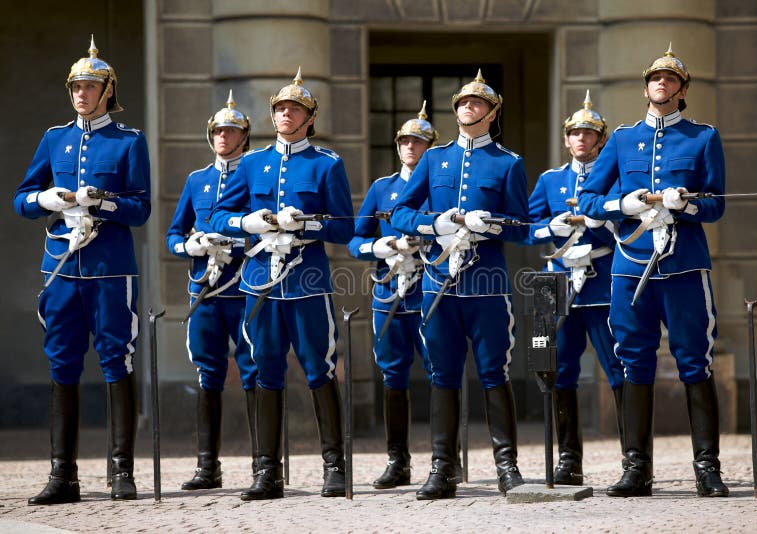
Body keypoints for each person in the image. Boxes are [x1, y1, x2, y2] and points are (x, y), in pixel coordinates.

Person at [577, 44, 729, 498]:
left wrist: (687, 204)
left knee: (694, 362)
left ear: (682, 91)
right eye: (654, 78)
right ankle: (636, 468)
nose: (660, 84)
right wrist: (620, 205)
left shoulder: (703, 137)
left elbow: (716, 204)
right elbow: (588, 200)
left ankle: (707, 467)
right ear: (645, 87)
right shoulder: (622, 139)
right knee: (633, 362)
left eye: (670, 79)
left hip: (683, 267)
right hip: (631, 266)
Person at [14, 36, 151, 504]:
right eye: (76, 86)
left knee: (117, 361)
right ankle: (62, 476)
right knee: (62, 363)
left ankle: (121, 472)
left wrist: (104, 201)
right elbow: (21, 198)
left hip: (111, 269)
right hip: (61, 268)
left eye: (90, 86)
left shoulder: (129, 141)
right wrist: (46, 200)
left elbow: (140, 209)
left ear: (108, 90)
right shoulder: (54, 138)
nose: (81, 94)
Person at [209, 68, 354, 500]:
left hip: (308, 283)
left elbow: (344, 227)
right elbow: (217, 216)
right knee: (264, 372)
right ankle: (266, 472)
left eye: (294, 109)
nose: (285, 114)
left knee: (320, 369)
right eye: (279, 108)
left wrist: (307, 224)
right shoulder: (251, 163)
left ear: (310, 118)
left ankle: (335, 467)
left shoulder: (326, 163)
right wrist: (245, 222)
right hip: (259, 284)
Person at [392, 70, 529, 499]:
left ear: (491, 114)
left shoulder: (508, 163)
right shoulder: (434, 159)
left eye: (476, 104)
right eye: (462, 103)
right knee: (442, 374)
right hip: (438, 284)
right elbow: (400, 212)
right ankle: (442, 467)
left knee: (494, 373)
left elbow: (522, 227)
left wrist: (488, 225)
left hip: (486, 287)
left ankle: (506, 465)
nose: (467, 108)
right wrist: (433, 224)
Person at [527, 91, 624, 485]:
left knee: (619, 368)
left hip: (602, 279)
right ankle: (568, 460)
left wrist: (600, 219)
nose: (581, 139)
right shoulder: (549, 180)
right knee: (548, 365)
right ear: (566, 139)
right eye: (575, 133)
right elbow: (526, 229)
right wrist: (552, 227)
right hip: (553, 284)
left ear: (600, 140)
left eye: (589, 133)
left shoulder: (614, 177)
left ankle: (633, 459)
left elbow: (625, 217)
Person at [165, 91, 258, 490]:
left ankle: (263, 465)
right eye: (218, 130)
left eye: (231, 130)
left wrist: (234, 245)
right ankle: (208, 467)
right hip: (204, 292)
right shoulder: (197, 180)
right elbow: (172, 234)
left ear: (244, 137)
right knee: (207, 374)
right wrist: (190, 246)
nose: (223, 136)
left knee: (255, 372)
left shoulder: (256, 176)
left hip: (244, 289)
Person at [347, 102, 436, 489]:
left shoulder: (441, 187)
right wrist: (379, 247)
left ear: (431, 147)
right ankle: (397, 461)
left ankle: (444, 457)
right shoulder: (382, 189)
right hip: (388, 291)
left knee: (440, 370)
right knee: (392, 373)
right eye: (405, 141)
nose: (410, 147)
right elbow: (354, 239)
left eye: (418, 141)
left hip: (432, 288)